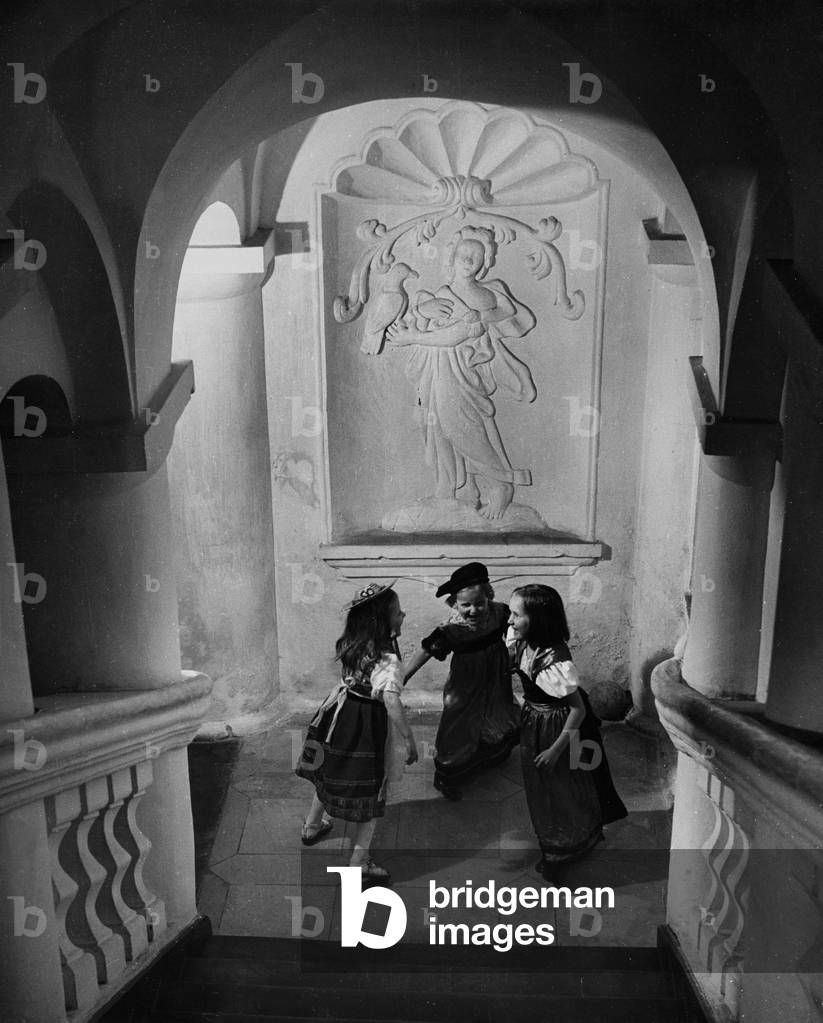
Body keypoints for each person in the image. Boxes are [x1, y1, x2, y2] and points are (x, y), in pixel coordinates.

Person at [386, 226, 536, 520]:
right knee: (439, 429)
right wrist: (423, 310)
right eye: (464, 254)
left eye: (476, 256)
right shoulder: (439, 294)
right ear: (451, 258)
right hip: (438, 370)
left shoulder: (487, 296)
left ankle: (501, 484)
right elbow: (420, 318)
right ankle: (459, 490)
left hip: (463, 372)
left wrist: (412, 338)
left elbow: (456, 335)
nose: (469, 260)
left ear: (485, 262)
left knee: (462, 427)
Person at [295, 581, 417, 880]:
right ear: (382, 620)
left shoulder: (353, 641)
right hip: (366, 725)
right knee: (371, 793)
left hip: (339, 713)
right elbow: (390, 699)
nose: (403, 615)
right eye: (398, 612)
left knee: (330, 769)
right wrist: (409, 738)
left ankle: (312, 826)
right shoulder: (386, 659)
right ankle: (359, 864)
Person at [507, 584, 627, 878]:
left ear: (538, 620)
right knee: (544, 788)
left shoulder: (556, 662)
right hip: (536, 721)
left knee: (563, 787)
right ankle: (559, 837)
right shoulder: (524, 644)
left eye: (516, 615)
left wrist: (555, 749)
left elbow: (578, 709)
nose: (510, 621)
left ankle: (565, 848)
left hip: (559, 727)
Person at [404, 562, 520, 800]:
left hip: (496, 675)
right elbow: (426, 651)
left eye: (480, 603)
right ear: (454, 604)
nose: (474, 610)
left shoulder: (499, 612)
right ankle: (449, 771)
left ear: (489, 596)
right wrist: (403, 677)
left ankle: (492, 751)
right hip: (466, 681)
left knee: (495, 709)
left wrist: (516, 651)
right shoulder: (452, 629)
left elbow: (517, 628)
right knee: (460, 718)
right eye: (466, 605)